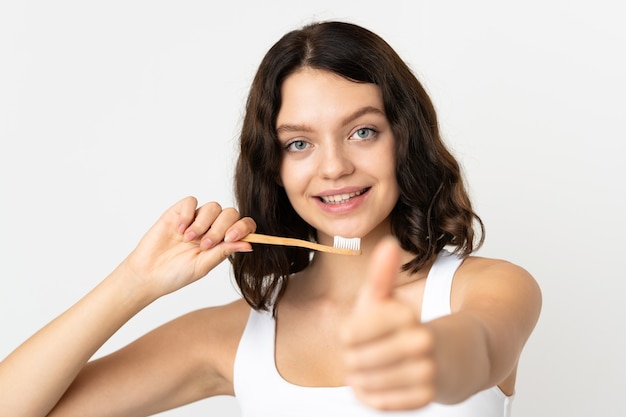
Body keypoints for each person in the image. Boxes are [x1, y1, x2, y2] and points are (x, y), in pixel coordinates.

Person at [0, 21, 541, 417]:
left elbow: (483, 348)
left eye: (362, 131)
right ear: (274, 167)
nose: (334, 166)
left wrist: (428, 355)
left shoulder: (489, 287)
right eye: (299, 143)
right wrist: (133, 284)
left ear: (405, 140)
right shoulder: (236, 333)